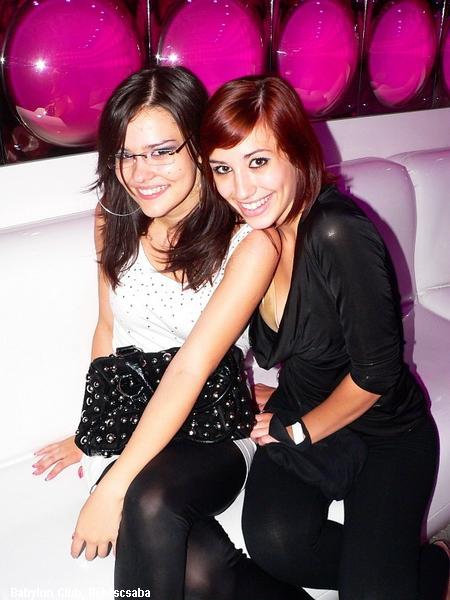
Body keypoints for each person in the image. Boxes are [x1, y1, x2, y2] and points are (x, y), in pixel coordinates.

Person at [33, 66, 311, 600]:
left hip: (214, 431)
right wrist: (93, 434)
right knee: (202, 570)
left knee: (147, 499)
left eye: (162, 151)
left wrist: (112, 487)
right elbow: (108, 329)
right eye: (127, 155)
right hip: (136, 423)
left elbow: (189, 369)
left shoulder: (250, 244)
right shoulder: (112, 218)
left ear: (199, 148)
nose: (141, 174)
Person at [201, 75, 450, 599]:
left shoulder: (338, 231)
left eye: (258, 161)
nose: (241, 189)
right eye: (223, 168)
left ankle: (432, 568)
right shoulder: (256, 235)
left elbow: (377, 374)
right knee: (275, 545)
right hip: (304, 404)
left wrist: (296, 431)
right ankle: (403, 572)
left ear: (296, 152)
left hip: (385, 431)